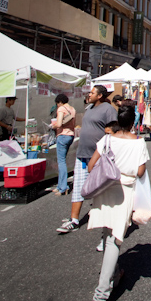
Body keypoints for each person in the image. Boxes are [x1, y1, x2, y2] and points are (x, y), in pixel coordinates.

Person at [87, 102, 149, 301]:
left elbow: (90, 165)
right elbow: (140, 172)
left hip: (104, 188)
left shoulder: (106, 140)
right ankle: (101, 294)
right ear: (133, 123)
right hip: (125, 190)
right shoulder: (139, 143)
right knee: (115, 238)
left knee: (108, 232)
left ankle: (114, 273)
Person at [56, 85, 117, 234]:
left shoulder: (108, 110)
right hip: (82, 154)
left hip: (98, 156)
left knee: (102, 188)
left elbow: (113, 130)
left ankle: (109, 220)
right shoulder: (89, 108)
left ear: (100, 95)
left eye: (92, 92)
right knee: (78, 187)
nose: (89, 94)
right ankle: (74, 220)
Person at [50, 93, 76, 196]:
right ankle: (60, 186)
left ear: (59, 102)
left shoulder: (61, 109)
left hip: (62, 135)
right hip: (70, 135)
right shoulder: (72, 109)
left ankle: (63, 187)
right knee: (62, 161)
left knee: (61, 162)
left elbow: (59, 124)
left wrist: (53, 126)